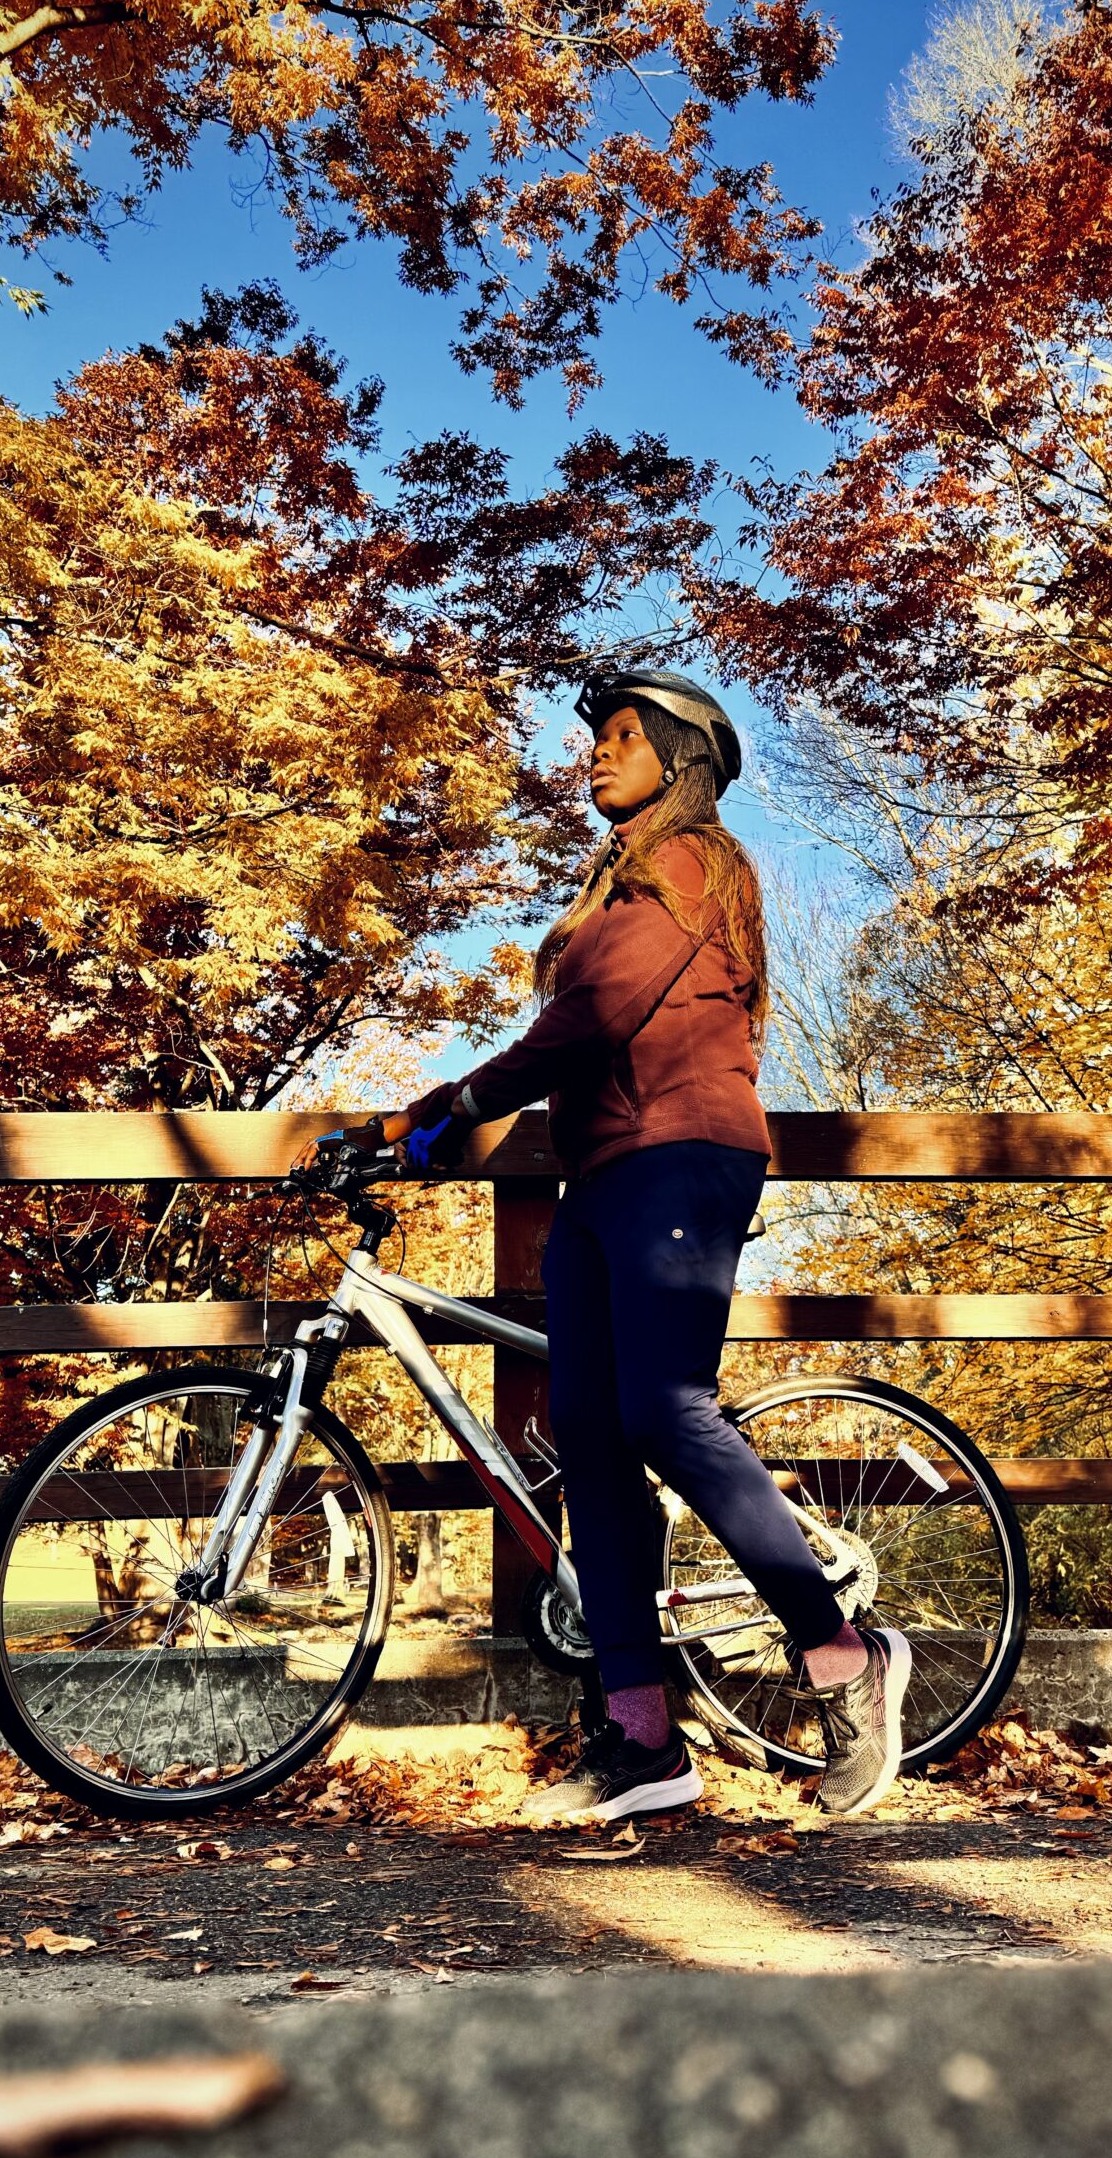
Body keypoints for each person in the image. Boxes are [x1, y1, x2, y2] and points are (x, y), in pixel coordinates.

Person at [299, 670, 909, 1822]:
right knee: (587, 1437)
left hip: (681, 1156)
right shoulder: (618, 885)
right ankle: (641, 1737)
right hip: (601, 1172)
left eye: (623, 737)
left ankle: (842, 1658)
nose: (596, 753)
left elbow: (590, 1022)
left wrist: (431, 1107)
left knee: (663, 1409)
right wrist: (413, 1145)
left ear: (681, 758)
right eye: (597, 739)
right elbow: (575, 1049)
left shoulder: (692, 864)